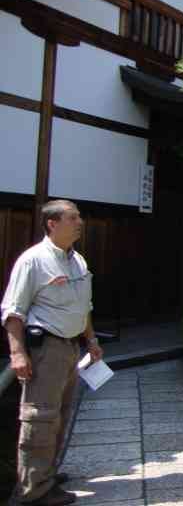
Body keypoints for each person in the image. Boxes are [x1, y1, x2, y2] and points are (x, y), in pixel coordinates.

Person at [2, 200, 103, 506]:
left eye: (79, 217)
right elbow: (13, 312)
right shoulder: (33, 261)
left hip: (72, 348)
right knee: (40, 418)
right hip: (46, 349)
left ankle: (46, 474)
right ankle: (33, 490)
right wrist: (17, 353)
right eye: (73, 218)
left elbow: (83, 307)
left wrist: (92, 340)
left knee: (61, 415)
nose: (80, 222)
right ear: (52, 224)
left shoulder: (78, 261)